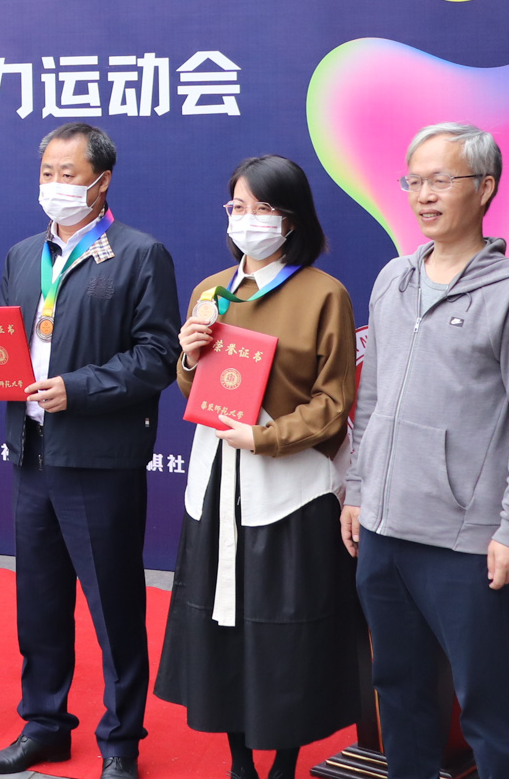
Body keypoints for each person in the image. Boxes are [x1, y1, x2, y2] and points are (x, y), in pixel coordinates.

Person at [343, 124, 509, 779]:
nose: (424, 195)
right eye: (413, 181)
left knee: (484, 704)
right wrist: (357, 491)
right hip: (382, 531)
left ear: (485, 187)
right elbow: (370, 396)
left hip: (465, 542)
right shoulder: (392, 279)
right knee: (398, 690)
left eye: (441, 180)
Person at [0, 122, 179, 779]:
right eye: (46, 173)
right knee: (39, 602)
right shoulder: (23, 254)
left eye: (68, 173)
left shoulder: (138, 254)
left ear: (101, 181)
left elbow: (157, 356)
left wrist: (78, 389)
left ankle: (121, 741)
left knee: (115, 606)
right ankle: (44, 725)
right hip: (32, 451)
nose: (54, 185)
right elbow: (12, 339)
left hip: (98, 458)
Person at [153, 156, 360, 779]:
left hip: (290, 487)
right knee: (222, 624)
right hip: (217, 483)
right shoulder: (211, 290)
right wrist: (188, 357)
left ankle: (285, 762)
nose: (247, 220)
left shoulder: (324, 294)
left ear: (291, 219)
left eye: (262, 208)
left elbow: (333, 402)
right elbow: (194, 387)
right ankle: (239, 760)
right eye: (237, 207)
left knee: (286, 627)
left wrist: (267, 437)